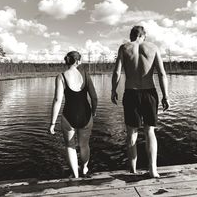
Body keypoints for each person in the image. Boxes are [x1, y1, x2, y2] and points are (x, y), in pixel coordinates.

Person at [111, 25, 169, 178]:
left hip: (131, 93)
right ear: (144, 36)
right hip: (149, 92)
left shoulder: (124, 47)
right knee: (149, 131)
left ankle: (133, 170)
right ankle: (153, 170)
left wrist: (113, 90)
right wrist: (166, 96)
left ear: (132, 36)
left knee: (131, 133)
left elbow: (117, 72)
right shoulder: (153, 47)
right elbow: (162, 74)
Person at [49, 51, 97, 178]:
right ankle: (85, 168)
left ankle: (75, 175)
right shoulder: (86, 75)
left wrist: (52, 123)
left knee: (70, 146)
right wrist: (94, 112)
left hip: (68, 116)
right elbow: (94, 98)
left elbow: (57, 100)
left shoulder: (61, 76)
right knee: (84, 145)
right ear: (77, 62)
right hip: (86, 115)